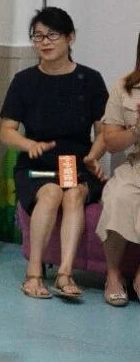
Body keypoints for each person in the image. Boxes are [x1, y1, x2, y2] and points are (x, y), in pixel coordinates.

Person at [0, 7, 107, 299]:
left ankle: (65, 274)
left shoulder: (90, 80)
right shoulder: (24, 81)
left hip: (77, 164)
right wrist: (28, 145)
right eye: (38, 36)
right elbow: (6, 131)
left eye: (52, 35)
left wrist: (94, 155)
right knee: (50, 193)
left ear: (70, 38)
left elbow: (103, 132)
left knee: (74, 194)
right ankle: (33, 274)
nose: (44, 42)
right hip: (37, 166)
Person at [91, 31, 140, 307]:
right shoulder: (124, 86)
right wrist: (136, 130)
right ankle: (113, 275)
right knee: (119, 196)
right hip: (136, 165)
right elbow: (110, 142)